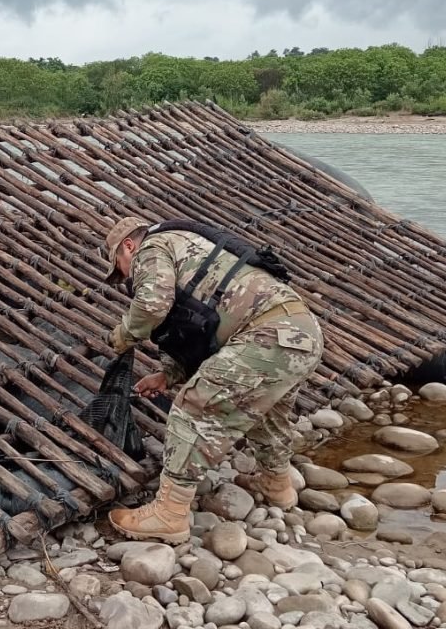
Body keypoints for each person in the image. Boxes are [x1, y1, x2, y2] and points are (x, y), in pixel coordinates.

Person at [101, 217, 324, 544]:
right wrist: (169, 374)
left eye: (121, 269)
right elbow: (203, 328)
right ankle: (277, 485)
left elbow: (152, 305)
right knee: (267, 414)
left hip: (265, 336)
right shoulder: (192, 248)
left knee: (195, 406)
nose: (125, 279)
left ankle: (169, 513)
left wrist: (122, 336)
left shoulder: (151, 247)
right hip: (302, 332)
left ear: (128, 246)